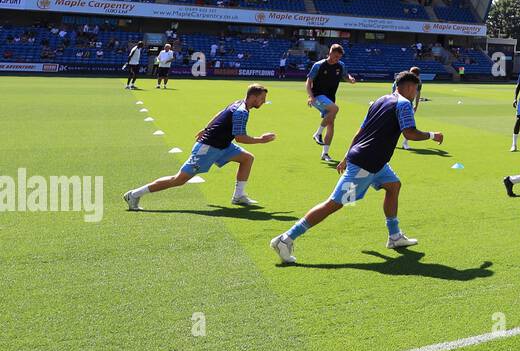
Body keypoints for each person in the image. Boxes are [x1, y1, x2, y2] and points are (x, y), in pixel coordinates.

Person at [270, 72, 443, 264]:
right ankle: (285, 239)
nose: (414, 93)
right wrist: (432, 135)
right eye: (415, 89)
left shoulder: (380, 100)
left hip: (375, 163)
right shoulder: (404, 104)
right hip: (366, 165)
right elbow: (409, 133)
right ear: (411, 87)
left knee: (393, 186)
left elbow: (361, 131)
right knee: (334, 204)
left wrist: (346, 156)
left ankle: (395, 237)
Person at [123, 84, 275, 210]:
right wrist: (261, 140)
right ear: (253, 97)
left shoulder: (238, 103)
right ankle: (134, 194)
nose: (263, 102)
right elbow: (240, 138)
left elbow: (219, 114)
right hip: (208, 149)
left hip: (223, 146)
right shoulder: (241, 112)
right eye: (262, 99)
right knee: (178, 180)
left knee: (247, 158)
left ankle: (238, 196)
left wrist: (206, 128)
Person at [306, 44, 356, 163]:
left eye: (338, 57)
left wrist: (350, 79)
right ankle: (317, 134)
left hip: (330, 98)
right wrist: (310, 96)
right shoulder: (318, 65)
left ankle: (325, 153)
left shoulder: (341, 65)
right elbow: (308, 81)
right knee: (335, 109)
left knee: (331, 124)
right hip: (317, 96)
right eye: (334, 56)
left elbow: (345, 76)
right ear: (329, 53)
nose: (336, 59)